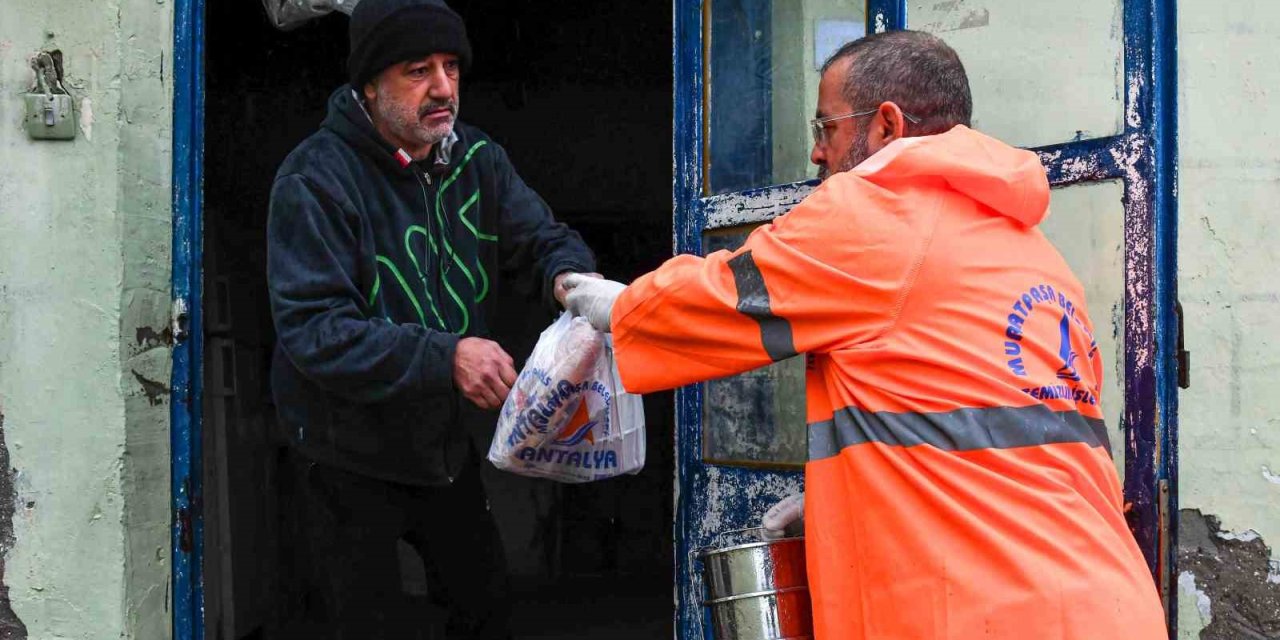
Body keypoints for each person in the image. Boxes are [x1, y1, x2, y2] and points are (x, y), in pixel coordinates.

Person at [565, 30, 1167, 639]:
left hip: (991, 612)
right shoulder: (1033, 254)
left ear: (885, 125)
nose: (817, 155)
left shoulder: (878, 210)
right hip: (1104, 604)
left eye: (825, 128)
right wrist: (851, 494)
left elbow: (715, 300)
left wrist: (615, 306)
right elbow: (993, 438)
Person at [266, 0, 596, 636]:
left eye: (451, 67)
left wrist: (574, 284)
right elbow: (314, 330)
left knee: (485, 609)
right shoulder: (315, 179)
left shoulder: (476, 159)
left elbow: (539, 236)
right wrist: (447, 356)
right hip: (343, 452)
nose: (443, 88)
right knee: (364, 623)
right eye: (417, 71)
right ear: (368, 86)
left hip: (437, 448)